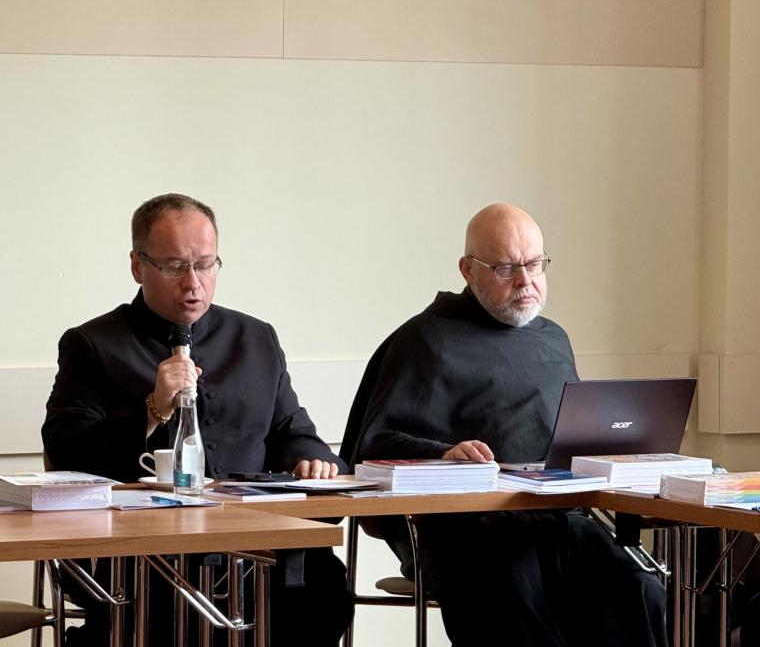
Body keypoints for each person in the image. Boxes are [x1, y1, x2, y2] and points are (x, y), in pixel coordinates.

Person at [348, 203, 668, 647]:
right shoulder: (423, 340)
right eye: (506, 268)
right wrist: (443, 453)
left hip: (562, 522)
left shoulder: (553, 339)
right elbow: (372, 446)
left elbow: (572, 440)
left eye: (534, 265)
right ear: (468, 270)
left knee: (638, 588)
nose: (525, 281)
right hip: (468, 531)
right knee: (515, 594)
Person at [42, 193, 353, 646]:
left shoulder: (255, 337)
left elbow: (292, 430)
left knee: (323, 588)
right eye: (175, 266)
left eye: (206, 265)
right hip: (145, 555)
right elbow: (67, 448)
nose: (194, 283)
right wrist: (153, 408)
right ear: (137, 266)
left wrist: (312, 460)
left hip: (255, 544)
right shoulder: (93, 343)